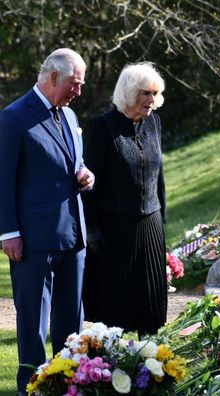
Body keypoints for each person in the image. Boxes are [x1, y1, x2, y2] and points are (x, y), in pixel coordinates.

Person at [0, 48, 94, 396]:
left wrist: (86, 175)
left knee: (71, 322)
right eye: (75, 83)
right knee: (33, 324)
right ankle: (32, 387)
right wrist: (9, 232)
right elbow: (2, 179)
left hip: (74, 236)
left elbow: (74, 164)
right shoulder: (13, 117)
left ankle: (70, 383)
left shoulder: (69, 116)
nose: (78, 91)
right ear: (54, 76)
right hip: (32, 240)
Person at [82, 62, 167, 337]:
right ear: (129, 93)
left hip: (150, 224)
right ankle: (112, 369)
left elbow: (159, 176)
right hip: (115, 229)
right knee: (115, 308)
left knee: (150, 303)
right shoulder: (103, 127)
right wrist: (92, 229)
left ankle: (152, 364)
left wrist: (162, 221)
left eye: (154, 94)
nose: (151, 100)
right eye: (146, 93)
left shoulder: (154, 122)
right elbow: (90, 185)